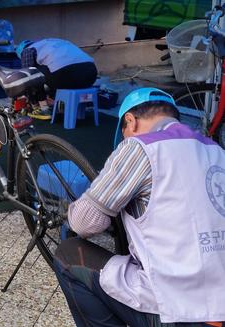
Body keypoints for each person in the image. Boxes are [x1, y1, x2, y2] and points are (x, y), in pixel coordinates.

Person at [53, 87, 225, 326]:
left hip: (182, 312)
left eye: (123, 134)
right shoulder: (216, 150)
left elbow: (85, 222)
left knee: (68, 254)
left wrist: (72, 211)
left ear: (130, 122)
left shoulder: (139, 147)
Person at [15, 38, 97, 120]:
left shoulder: (27, 50)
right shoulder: (50, 43)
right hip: (91, 74)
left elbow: (28, 76)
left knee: (34, 75)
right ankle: (59, 103)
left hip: (67, 74)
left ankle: (43, 108)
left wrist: (31, 99)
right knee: (52, 69)